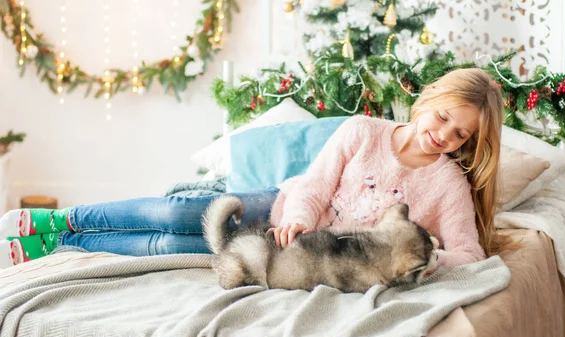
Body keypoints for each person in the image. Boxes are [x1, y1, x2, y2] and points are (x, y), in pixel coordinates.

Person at [0, 68, 509, 270]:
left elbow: (471, 253)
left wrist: (428, 259)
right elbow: (315, 182)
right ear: (428, 100)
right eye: (443, 117)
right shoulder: (364, 131)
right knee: (179, 214)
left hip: (311, 259)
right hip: (284, 208)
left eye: (459, 134)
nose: (443, 135)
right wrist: (302, 218)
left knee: (177, 247)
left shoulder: (446, 183)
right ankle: (66, 220)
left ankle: (61, 246)